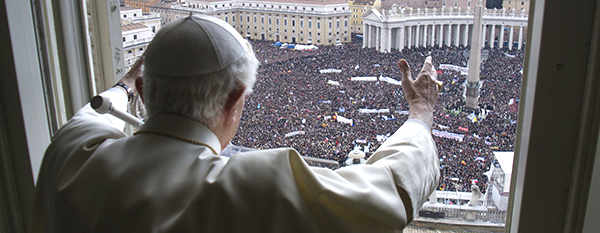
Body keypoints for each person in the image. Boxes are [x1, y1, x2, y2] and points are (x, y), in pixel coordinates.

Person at [30, 14, 440, 233]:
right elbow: (392, 193)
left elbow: (92, 112)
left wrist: (124, 85)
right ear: (234, 101)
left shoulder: (71, 154)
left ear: (144, 88)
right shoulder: (255, 185)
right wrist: (420, 114)